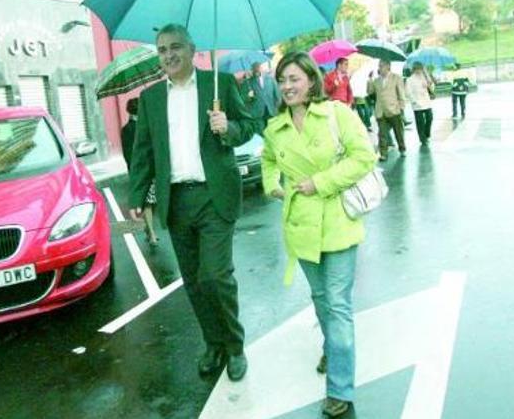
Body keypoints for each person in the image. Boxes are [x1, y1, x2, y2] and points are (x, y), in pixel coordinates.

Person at [128, 24, 258, 381]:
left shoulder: (220, 85)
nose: (168, 55)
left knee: (215, 276)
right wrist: (137, 194)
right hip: (176, 200)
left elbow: (249, 126)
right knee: (195, 282)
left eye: (175, 47)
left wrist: (227, 126)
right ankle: (213, 344)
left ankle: (234, 346)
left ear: (192, 49)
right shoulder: (152, 98)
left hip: (214, 196)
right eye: (162, 49)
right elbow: (144, 151)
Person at [261, 51, 376, 418]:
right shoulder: (275, 126)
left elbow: (364, 157)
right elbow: (267, 159)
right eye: (282, 80)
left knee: (338, 303)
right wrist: (270, 184)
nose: (287, 86)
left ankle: (340, 388)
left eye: (294, 78)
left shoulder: (337, 115)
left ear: (311, 80)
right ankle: (334, 347)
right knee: (321, 297)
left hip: (338, 219)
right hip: (300, 226)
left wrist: (321, 182)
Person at [120, 98, 159, 245]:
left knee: (152, 201)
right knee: (148, 202)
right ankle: (152, 234)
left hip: (150, 169)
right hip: (143, 171)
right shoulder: (131, 129)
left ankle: (149, 230)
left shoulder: (145, 126)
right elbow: (129, 153)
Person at [367, 59, 407, 161]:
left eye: (381, 66)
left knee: (398, 132)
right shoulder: (376, 81)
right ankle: (383, 154)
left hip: (394, 110)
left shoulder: (396, 78)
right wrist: (370, 79)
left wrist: (402, 108)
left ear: (388, 66)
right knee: (382, 134)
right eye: (379, 66)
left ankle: (402, 148)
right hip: (381, 111)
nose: (379, 68)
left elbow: (401, 94)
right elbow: (370, 92)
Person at [239, 61, 280, 132]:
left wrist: (279, 109)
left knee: (273, 132)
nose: (256, 70)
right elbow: (242, 99)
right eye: (254, 68)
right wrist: (248, 96)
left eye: (258, 67)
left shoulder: (270, 80)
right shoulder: (247, 83)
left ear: (261, 68)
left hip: (271, 112)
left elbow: (278, 95)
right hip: (257, 115)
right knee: (261, 136)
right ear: (252, 69)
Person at [405, 62, 435, 146]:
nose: (420, 71)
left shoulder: (424, 77)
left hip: (426, 102)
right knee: (420, 122)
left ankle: (427, 133)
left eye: (421, 69)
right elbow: (408, 92)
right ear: (414, 69)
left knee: (430, 117)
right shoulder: (410, 79)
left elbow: (430, 87)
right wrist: (414, 101)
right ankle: (422, 138)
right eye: (418, 69)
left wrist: (427, 77)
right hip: (417, 104)